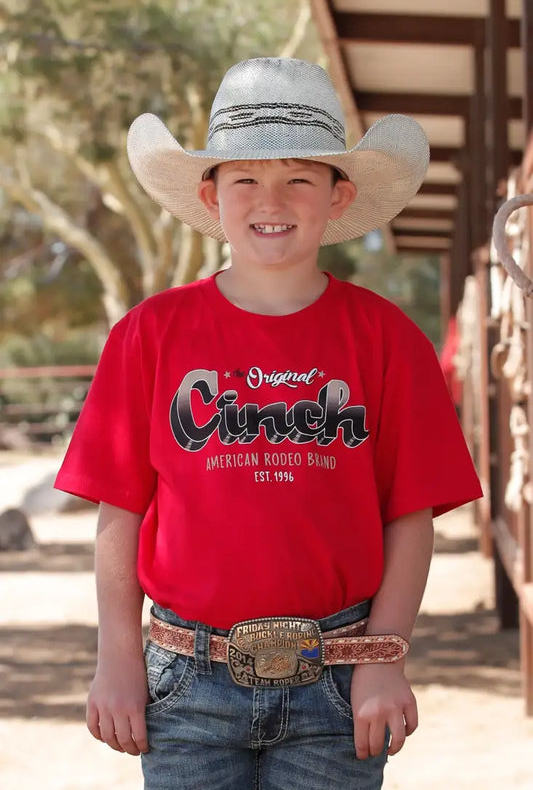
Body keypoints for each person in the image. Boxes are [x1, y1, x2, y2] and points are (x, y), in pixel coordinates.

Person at [55, 57, 482, 790]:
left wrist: (386, 658)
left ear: (337, 195)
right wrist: (117, 659)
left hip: (336, 681)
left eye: (298, 179)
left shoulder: (385, 339)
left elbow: (409, 518)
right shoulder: (148, 334)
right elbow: (118, 513)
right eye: (244, 179)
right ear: (209, 194)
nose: (269, 200)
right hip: (185, 684)